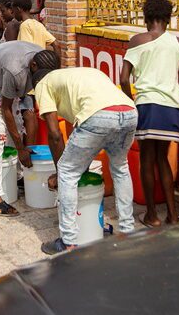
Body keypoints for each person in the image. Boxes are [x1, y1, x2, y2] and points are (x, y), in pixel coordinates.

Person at [32, 67, 139, 254]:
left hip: (97, 116)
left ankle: (69, 241)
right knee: (120, 168)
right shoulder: (80, 75)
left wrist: (61, 171)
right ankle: (127, 232)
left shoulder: (43, 84)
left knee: (66, 171)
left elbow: (55, 133)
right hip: (129, 112)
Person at [0, 41, 59, 216]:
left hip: (3, 75)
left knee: (17, 125)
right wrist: (20, 149)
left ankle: (17, 177)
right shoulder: (15, 71)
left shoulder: (45, 61)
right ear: (33, 66)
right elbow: (6, 108)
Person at [120, 0, 179, 227]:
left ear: (146, 19)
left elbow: (123, 78)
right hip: (172, 109)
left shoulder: (137, 40)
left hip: (148, 105)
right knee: (163, 160)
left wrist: (131, 101)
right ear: (169, 19)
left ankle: (151, 215)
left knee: (147, 160)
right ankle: (172, 215)